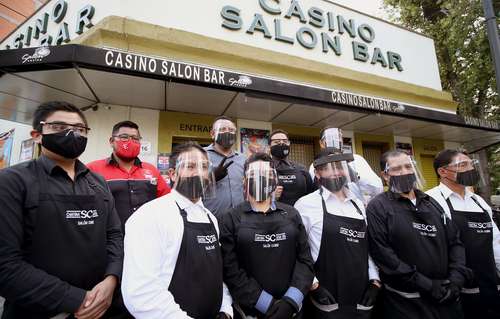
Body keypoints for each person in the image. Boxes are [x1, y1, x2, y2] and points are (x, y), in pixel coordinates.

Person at [0, 101, 123, 319]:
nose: (71, 133)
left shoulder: (98, 182)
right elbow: (5, 265)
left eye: (79, 129)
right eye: (58, 127)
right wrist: (77, 299)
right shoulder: (12, 181)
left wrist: (112, 279)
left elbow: (114, 235)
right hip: (38, 311)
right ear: (37, 134)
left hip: (102, 306)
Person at [121, 142, 233, 318]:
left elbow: (216, 275)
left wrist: (225, 309)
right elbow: (141, 294)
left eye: (204, 167)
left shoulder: (210, 218)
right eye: (190, 166)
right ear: (172, 174)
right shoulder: (150, 216)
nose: (199, 173)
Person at [366, 150, 471, 319]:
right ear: (385, 176)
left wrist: (456, 279)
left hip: (447, 296)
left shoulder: (431, 203)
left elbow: (455, 242)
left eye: (408, 166)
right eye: (397, 169)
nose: (405, 172)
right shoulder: (378, 207)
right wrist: (427, 284)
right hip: (406, 302)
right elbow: (383, 253)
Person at [218, 152, 314, 319]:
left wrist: (290, 302)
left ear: (275, 180)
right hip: (251, 311)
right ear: (244, 181)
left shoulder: (291, 214)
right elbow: (230, 270)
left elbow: (305, 261)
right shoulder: (230, 218)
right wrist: (267, 304)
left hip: (293, 311)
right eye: (255, 174)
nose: (261, 179)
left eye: (267, 174)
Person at [295, 149, 381, 318]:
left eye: (340, 167)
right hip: (326, 297)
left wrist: (374, 281)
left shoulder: (358, 204)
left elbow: (366, 248)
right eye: (328, 168)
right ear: (318, 173)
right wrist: (314, 286)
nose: (335, 173)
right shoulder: (305, 205)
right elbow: (296, 252)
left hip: (362, 296)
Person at [427, 149, 500, 318]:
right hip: (457, 289)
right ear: (443, 172)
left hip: (490, 284)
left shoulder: (478, 200)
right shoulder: (431, 200)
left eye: (471, 164)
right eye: (463, 165)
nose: (470, 169)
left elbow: (495, 241)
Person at [87, 120, 170, 231]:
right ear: (112, 141)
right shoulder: (93, 169)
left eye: (135, 138)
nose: (130, 142)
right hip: (109, 240)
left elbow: (167, 202)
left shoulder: (151, 170)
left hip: (147, 237)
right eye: (124, 137)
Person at [309, 127, 383, 203]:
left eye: (338, 137)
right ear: (321, 143)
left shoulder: (356, 160)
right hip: (327, 208)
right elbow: (313, 190)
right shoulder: (315, 165)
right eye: (330, 138)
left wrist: (356, 177)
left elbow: (378, 189)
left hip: (355, 209)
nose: (335, 141)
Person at [204, 116, 246, 216]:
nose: (227, 132)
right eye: (222, 129)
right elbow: (188, 187)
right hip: (211, 219)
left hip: (239, 218)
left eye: (231, 130)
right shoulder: (200, 155)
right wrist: (211, 177)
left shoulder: (242, 159)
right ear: (212, 134)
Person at [269, 129, 315, 206]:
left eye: (285, 141)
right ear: (269, 146)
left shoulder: (301, 169)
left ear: (289, 143)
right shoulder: (264, 170)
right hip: (273, 215)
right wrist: (271, 197)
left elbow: (311, 195)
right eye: (277, 142)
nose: (281, 144)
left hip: (299, 214)